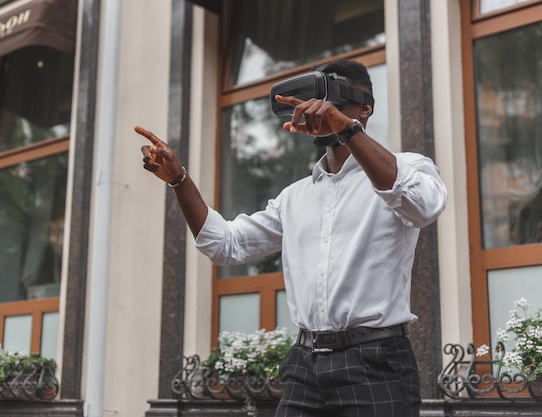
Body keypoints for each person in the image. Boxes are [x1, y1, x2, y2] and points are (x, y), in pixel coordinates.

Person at [134, 59, 447, 417]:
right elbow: (225, 245)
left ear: (365, 109)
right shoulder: (294, 197)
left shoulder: (407, 167)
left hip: (376, 363)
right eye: (316, 102)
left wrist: (347, 130)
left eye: (334, 103)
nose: (321, 112)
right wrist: (179, 180)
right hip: (305, 364)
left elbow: (423, 207)